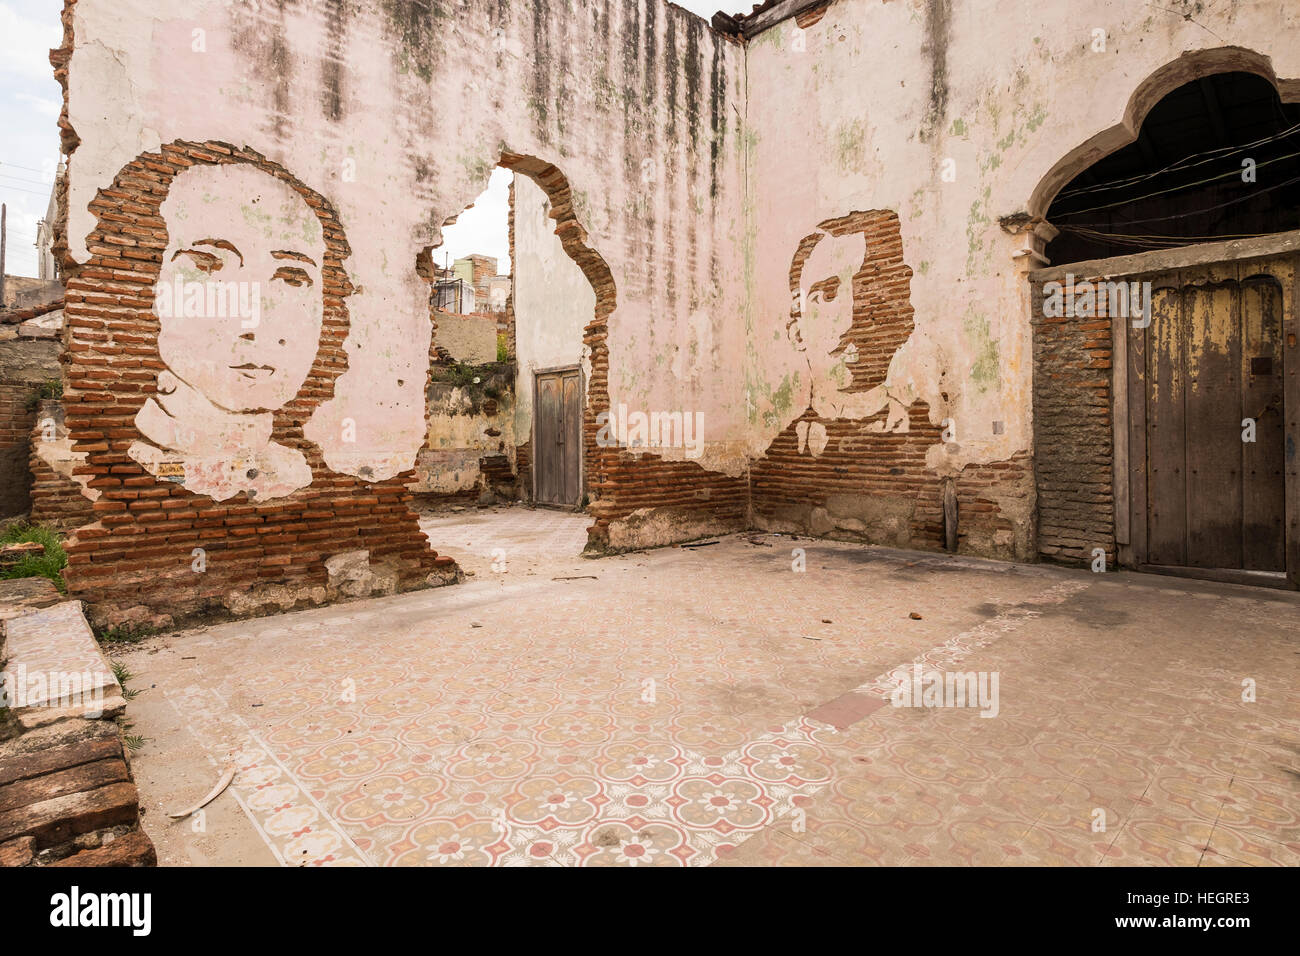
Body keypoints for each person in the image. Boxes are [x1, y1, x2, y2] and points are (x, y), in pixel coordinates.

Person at [128, 162, 331, 501]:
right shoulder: (149, 461)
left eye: (292, 278)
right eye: (206, 265)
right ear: (157, 288)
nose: (254, 324)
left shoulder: (289, 466)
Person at [786, 214, 910, 456]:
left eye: (869, 288)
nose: (852, 319)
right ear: (798, 333)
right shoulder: (775, 457)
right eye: (828, 296)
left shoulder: (933, 444)